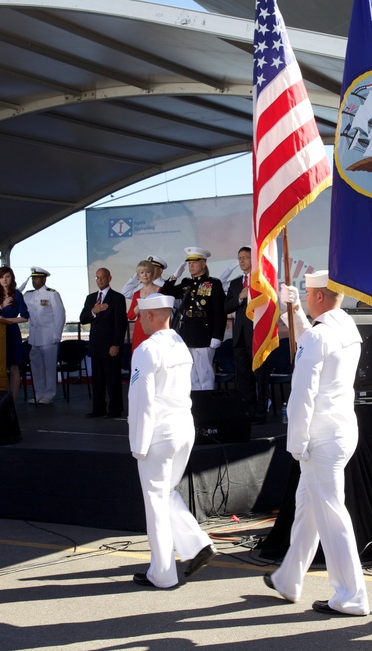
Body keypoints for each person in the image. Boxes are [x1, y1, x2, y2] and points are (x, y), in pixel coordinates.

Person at [263, 271, 370, 616]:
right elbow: (314, 341)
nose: (307, 299)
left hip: (320, 435)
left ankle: (351, 595)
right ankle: (289, 577)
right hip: (340, 429)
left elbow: (302, 393)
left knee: (331, 516)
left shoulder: (320, 336)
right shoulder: (345, 326)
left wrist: (296, 440)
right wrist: (294, 312)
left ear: (319, 297)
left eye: (309, 295)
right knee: (307, 507)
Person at [127, 292, 216, 588]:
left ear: (152, 315)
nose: (140, 320)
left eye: (142, 315)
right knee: (165, 494)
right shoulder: (179, 344)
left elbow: (142, 401)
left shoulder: (146, 349)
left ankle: (162, 573)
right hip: (183, 428)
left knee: (155, 502)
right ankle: (196, 544)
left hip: (159, 432)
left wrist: (137, 444)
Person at [161, 247, 226, 391]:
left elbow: (219, 312)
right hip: (187, 332)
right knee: (190, 374)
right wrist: (173, 277)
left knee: (205, 373)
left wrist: (217, 335)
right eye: (189, 263)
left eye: (194, 263)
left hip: (205, 334)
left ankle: (206, 404)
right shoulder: (185, 283)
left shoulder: (213, 284)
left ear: (203, 263)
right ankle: (195, 405)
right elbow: (165, 293)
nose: (191, 266)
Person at [223, 246, 270, 423]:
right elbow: (226, 307)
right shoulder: (235, 284)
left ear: (254, 259)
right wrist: (240, 298)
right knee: (244, 378)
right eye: (240, 257)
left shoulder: (262, 280)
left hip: (259, 335)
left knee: (261, 376)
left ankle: (260, 413)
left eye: (246, 257)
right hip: (240, 336)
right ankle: (248, 412)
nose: (242, 260)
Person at [80, 267, 127, 418]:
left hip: (110, 346)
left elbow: (120, 323)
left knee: (113, 380)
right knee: (98, 381)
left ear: (109, 278)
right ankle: (98, 408)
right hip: (96, 346)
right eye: (97, 278)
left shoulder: (117, 298)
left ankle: (115, 408)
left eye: (103, 277)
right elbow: (83, 318)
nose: (100, 280)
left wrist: (116, 344)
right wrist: (95, 310)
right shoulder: (91, 298)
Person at [23, 266, 65, 405]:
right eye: (33, 278)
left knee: (49, 368)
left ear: (43, 279)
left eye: (37, 278)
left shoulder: (52, 294)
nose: (34, 281)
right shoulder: (28, 295)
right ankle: (39, 393)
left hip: (48, 337)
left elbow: (60, 316)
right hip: (34, 337)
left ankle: (49, 394)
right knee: (36, 368)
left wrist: (56, 336)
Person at [0, 266, 29, 399]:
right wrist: (2, 306)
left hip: (11, 332)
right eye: (1, 277)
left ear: (12, 278)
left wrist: (6, 320)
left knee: (13, 368)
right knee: (0, 368)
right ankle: (2, 399)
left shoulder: (17, 295)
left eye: (7, 277)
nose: (4, 280)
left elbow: (24, 317)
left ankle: (12, 400)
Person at [127, 260, 159, 352]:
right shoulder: (136, 294)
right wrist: (140, 304)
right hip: (140, 329)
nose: (145, 275)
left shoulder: (159, 290)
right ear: (138, 275)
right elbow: (130, 316)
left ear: (152, 274)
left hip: (155, 329)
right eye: (142, 272)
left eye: (148, 272)